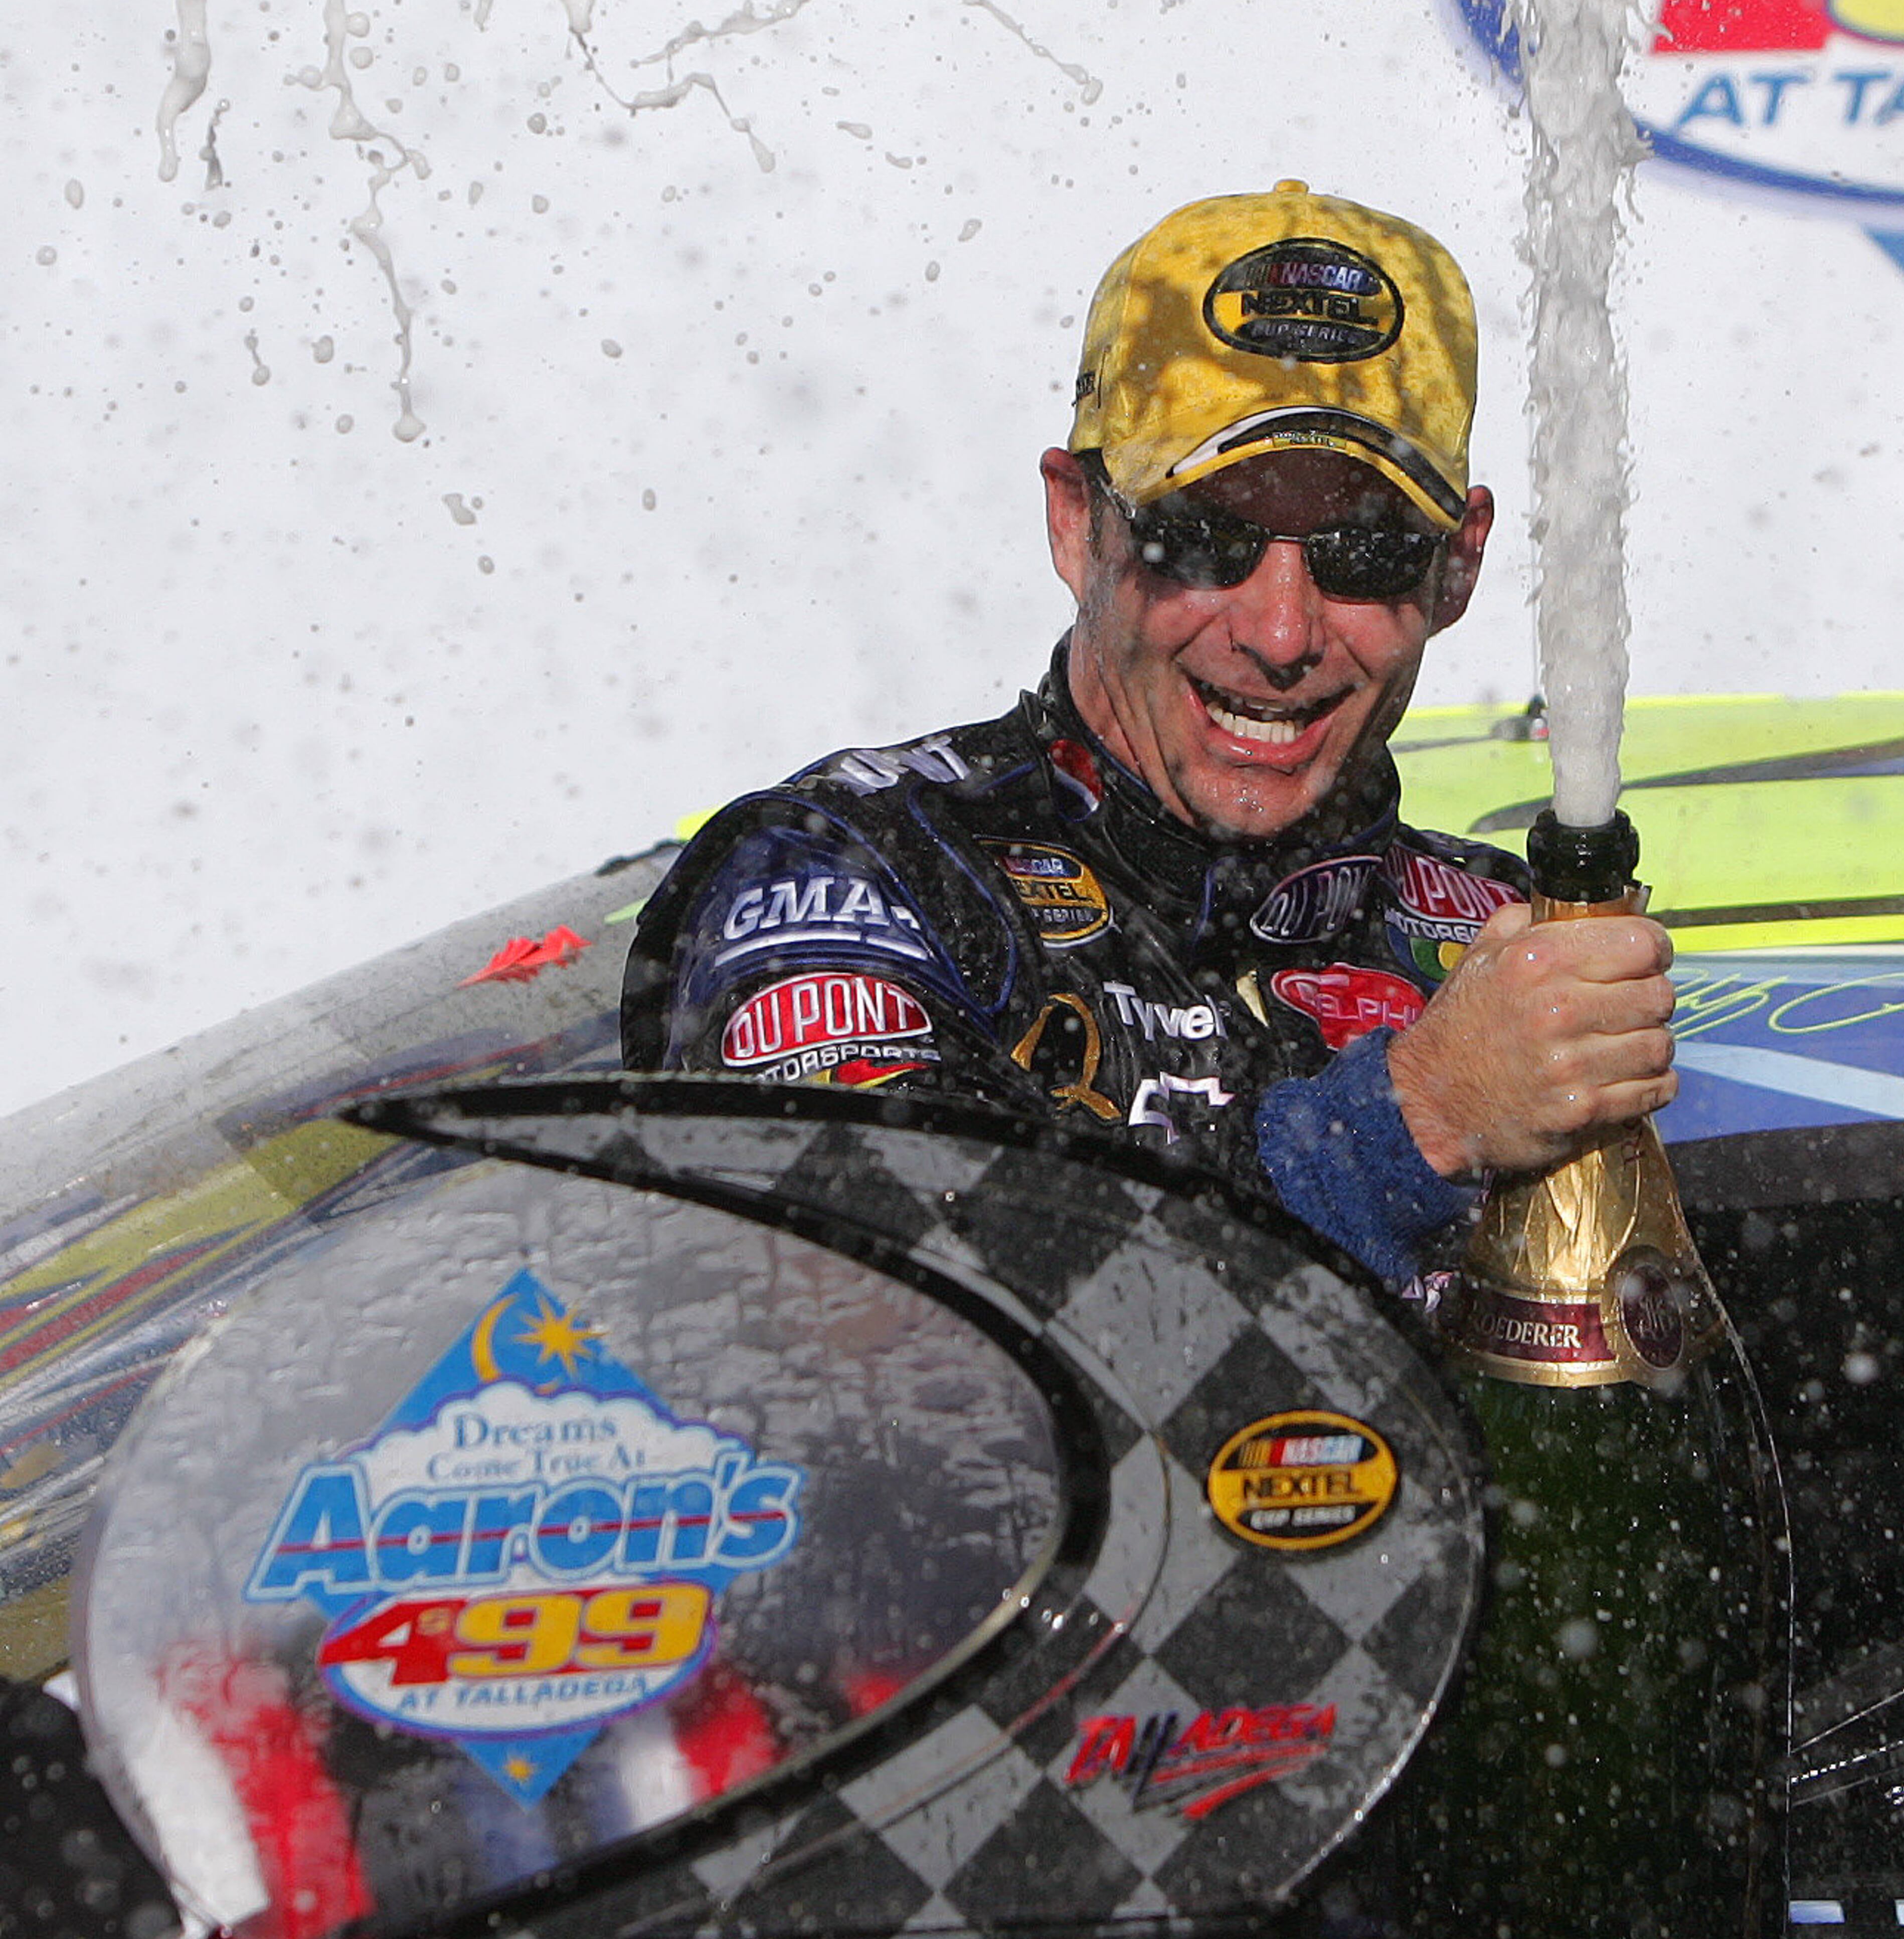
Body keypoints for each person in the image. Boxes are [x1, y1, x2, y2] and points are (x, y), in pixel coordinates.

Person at [621, 182, 1676, 1291]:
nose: (1281, 632)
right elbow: (899, 1322)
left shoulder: (1504, 942)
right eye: (1205, 537)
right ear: (1076, 523)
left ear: (1456, 567)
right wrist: (1411, 1121)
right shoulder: (851, 878)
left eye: (1364, 550)